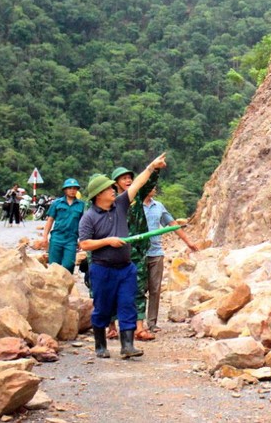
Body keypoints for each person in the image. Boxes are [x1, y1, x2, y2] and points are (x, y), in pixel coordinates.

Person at [79, 153, 164, 360]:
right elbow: (84, 244)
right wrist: (109, 240)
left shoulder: (120, 205)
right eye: (109, 188)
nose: (113, 190)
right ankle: (100, 346)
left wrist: (152, 167)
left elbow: (137, 185)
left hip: (126, 268)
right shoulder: (88, 217)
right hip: (102, 269)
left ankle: (128, 346)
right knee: (103, 307)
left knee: (128, 304)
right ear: (99, 194)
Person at [143, 185, 197, 333]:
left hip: (156, 252)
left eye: (154, 186)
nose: (153, 188)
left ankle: (152, 322)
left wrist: (188, 242)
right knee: (138, 289)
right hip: (138, 253)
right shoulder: (133, 206)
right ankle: (136, 323)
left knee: (155, 288)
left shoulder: (158, 206)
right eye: (150, 185)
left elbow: (172, 224)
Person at [110, 166, 155, 342]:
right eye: (123, 178)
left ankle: (139, 327)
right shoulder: (112, 201)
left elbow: (148, 183)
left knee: (138, 288)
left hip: (137, 250)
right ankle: (112, 325)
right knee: (113, 288)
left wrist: (155, 170)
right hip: (116, 250)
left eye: (130, 178)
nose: (128, 181)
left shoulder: (137, 196)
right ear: (116, 183)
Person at [42, 178, 85, 273]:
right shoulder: (57, 203)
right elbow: (50, 220)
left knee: (69, 264)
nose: (72, 190)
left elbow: (83, 224)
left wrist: (82, 239)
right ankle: (53, 286)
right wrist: (45, 237)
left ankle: (66, 285)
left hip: (71, 239)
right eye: (70, 188)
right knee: (53, 265)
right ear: (65, 190)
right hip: (57, 237)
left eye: (74, 188)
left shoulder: (81, 205)